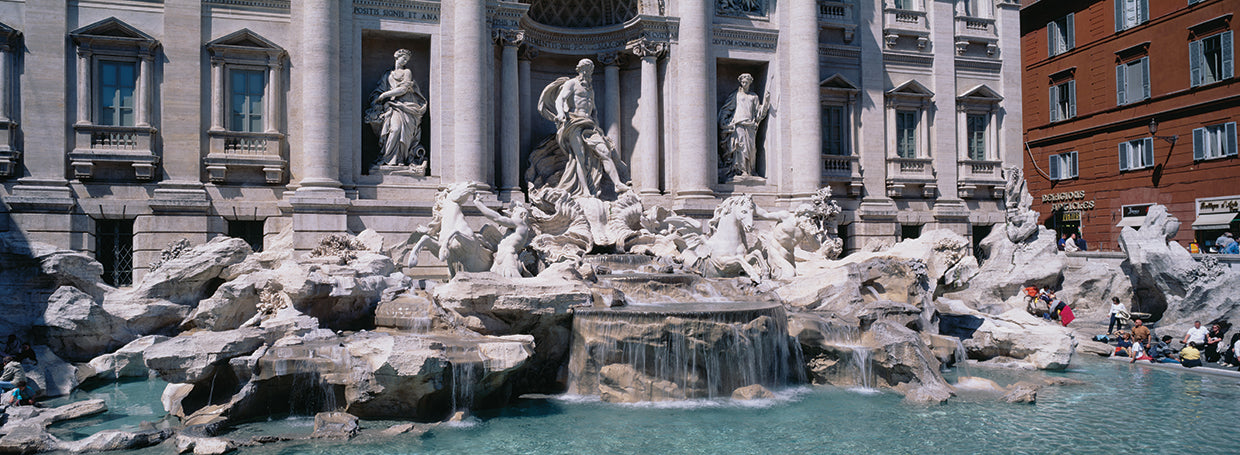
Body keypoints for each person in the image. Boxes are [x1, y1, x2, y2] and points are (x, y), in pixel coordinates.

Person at [538, 58, 630, 197]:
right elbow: (560, 99)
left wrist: (598, 128)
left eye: (590, 69)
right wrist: (561, 113)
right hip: (574, 121)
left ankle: (617, 184)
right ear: (579, 70)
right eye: (584, 69)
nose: (587, 72)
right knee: (579, 156)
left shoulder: (590, 90)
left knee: (605, 152)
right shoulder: (572, 83)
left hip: (590, 124)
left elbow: (594, 111)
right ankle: (585, 191)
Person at [364, 49, 429, 170]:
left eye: (407, 60)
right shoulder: (387, 74)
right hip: (392, 107)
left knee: (404, 134)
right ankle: (388, 159)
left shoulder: (407, 72)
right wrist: (376, 99)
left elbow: (403, 89)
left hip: (406, 107)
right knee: (395, 129)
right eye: (403, 58)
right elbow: (379, 90)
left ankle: (401, 160)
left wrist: (384, 95)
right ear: (396, 57)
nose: (405, 61)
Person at [718, 73, 772, 180]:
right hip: (738, 124)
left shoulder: (754, 96)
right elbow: (727, 109)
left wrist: (766, 101)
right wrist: (724, 122)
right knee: (740, 148)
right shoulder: (736, 95)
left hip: (750, 126)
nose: (744, 83)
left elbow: (759, 114)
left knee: (751, 150)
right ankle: (740, 171)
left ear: (750, 82)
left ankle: (750, 171)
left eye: (746, 82)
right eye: (742, 82)